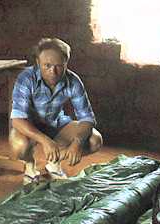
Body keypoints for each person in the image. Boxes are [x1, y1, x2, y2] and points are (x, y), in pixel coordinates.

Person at [9, 37, 103, 184]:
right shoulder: (26, 78)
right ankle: (30, 167)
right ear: (38, 62)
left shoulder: (73, 80)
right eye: (47, 65)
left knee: (94, 140)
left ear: (66, 63)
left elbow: (87, 118)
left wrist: (77, 143)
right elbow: (17, 120)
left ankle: (54, 164)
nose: (53, 71)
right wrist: (45, 141)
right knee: (20, 146)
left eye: (59, 66)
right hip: (30, 125)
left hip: (56, 123)